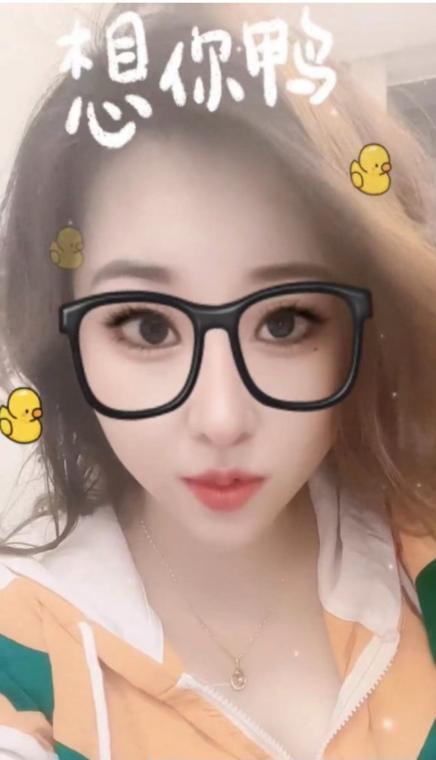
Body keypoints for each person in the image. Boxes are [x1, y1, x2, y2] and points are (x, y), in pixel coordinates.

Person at [0, 3, 434, 760]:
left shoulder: (418, 554)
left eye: (286, 322)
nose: (222, 418)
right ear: (66, 337)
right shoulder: (22, 656)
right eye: (147, 326)